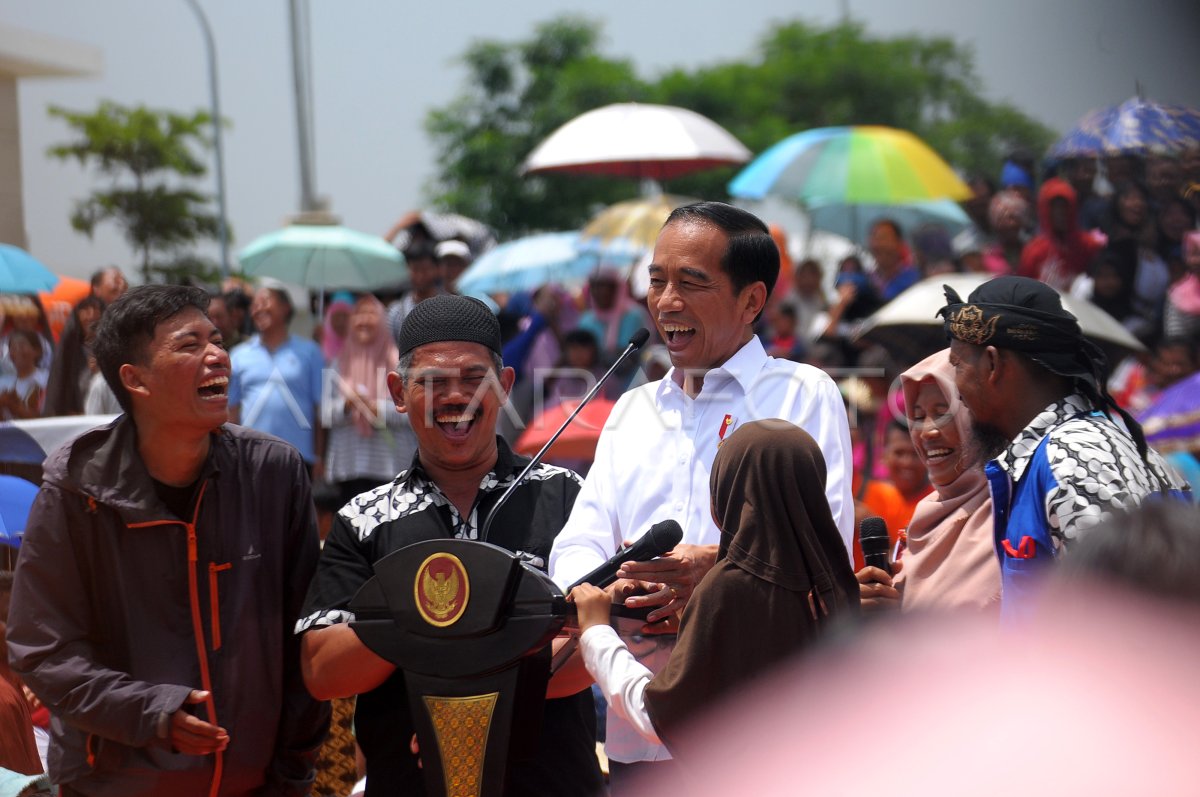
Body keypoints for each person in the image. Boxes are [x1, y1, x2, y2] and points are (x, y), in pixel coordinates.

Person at [548, 201, 854, 785]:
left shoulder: (804, 395)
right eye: (657, 281)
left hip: (761, 735)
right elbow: (578, 545)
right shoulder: (632, 410)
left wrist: (718, 575)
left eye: (692, 283)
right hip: (639, 736)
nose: (666, 302)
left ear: (751, 301)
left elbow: (826, 552)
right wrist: (615, 589)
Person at [6, 285, 329, 795]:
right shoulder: (76, 489)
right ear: (135, 380)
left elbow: (307, 640)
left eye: (217, 340)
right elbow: (42, 649)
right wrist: (149, 712)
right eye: (189, 344)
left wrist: (290, 776)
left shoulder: (273, 473)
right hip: (111, 785)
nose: (217, 355)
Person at [296, 294, 603, 797]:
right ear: (397, 391)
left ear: (504, 387)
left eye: (473, 379)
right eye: (433, 382)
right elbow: (322, 668)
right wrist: (451, 619)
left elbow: (597, 639)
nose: (455, 396)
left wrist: (465, 701)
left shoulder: (569, 498)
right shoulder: (364, 519)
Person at [570, 421, 858, 752]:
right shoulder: (836, 584)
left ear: (729, 492)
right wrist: (692, 628)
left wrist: (596, 631)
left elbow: (659, 717)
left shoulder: (729, 587)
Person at [939, 275, 1188, 619]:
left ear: (993, 364)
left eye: (958, 365)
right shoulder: (1080, 446)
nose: (957, 388)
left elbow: (1115, 623)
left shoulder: (1072, 456)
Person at [856, 350, 1000, 614]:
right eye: (919, 416)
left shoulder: (1011, 516)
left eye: (943, 412)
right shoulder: (923, 521)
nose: (928, 431)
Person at [322, 294, 418, 508]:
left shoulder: (398, 363)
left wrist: (378, 410)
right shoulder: (338, 362)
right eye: (359, 315)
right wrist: (348, 405)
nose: (364, 321)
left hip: (390, 465)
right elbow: (325, 414)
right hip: (349, 465)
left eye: (371, 314)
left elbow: (412, 412)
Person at [229, 284, 326, 475]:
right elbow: (232, 410)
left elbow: (319, 410)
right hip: (250, 456)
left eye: (265, 301)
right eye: (254, 305)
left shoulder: (310, 352)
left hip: (298, 457)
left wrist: (320, 456)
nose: (258, 309)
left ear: (285, 308)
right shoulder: (238, 355)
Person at [1018, 177, 1103, 290]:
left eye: (1065, 206)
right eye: (1054, 207)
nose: (1060, 213)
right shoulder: (1034, 250)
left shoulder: (1088, 245)